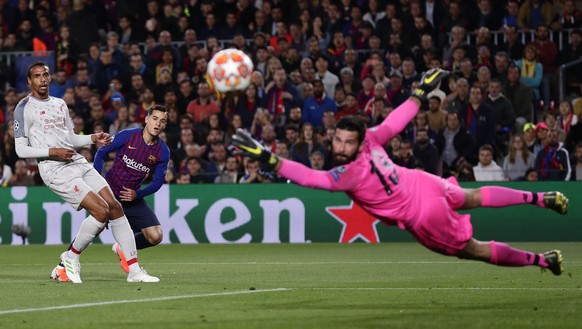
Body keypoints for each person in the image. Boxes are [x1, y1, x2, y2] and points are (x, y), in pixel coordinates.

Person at [232, 68, 569, 276]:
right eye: (338, 139)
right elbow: (396, 121)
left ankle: (543, 261)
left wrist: (269, 158)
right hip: (423, 182)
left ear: (357, 142)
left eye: (347, 142)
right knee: (474, 196)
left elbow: (310, 178)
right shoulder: (372, 139)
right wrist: (419, 94)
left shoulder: (348, 173)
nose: (340, 147)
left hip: (422, 212)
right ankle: (541, 198)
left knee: (477, 250)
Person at [14, 61, 158, 283]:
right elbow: (20, 149)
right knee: (100, 211)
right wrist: (53, 151)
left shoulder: (60, 104)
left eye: (45, 75)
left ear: (50, 78)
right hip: (54, 168)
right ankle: (71, 257)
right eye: (37, 76)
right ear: (29, 81)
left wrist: (92, 138)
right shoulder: (23, 108)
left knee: (115, 207)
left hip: (76, 160)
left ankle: (134, 271)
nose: (42, 79)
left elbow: (70, 138)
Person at [92, 104, 170, 273]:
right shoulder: (128, 135)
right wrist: (98, 183)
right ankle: (65, 263)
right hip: (109, 195)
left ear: (164, 125)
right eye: (155, 119)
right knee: (93, 229)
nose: (158, 124)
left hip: (131, 198)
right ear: (147, 119)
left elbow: (157, 182)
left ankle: (122, 248)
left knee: (156, 236)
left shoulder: (163, 151)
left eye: (162, 121)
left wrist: (138, 194)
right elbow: (101, 153)